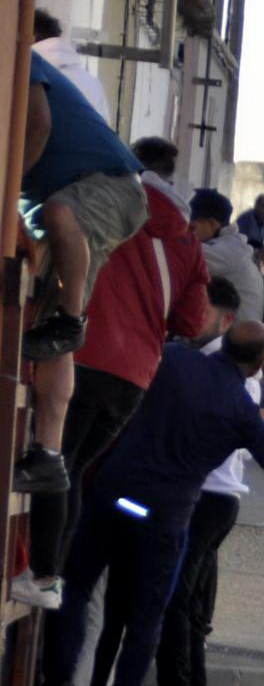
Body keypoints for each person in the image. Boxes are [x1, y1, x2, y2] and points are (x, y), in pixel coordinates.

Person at [24, 326, 264, 686]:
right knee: (147, 616)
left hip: (115, 494)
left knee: (77, 584)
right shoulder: (242, 410)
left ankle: (59, 683)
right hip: (164, 517)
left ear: (224, 343)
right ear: (259, 364)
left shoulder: (172, 359)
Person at [12, 152, 210, 610]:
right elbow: (191, 321)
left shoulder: (104, 204)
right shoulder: (187, 243)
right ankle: (49, 577)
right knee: (75, 470)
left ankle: (42, 573)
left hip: (84, 354)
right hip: (135, 377)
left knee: (54, 458)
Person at [10, 56, 150, 500]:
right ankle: (48, 456)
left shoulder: (20, 53)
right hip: (68, 200)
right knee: (50, 333)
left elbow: (39, 126)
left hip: (108, 187)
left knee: (60, 214)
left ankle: (71, 320)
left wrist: (8, 196)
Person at [144, 290, 259, 686]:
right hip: (217, 498)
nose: (192, 315)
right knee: (189, 610)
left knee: (175, 602)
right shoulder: (227, 367)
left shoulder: (211, 367)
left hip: (205, 498)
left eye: (202, 309)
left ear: (225, 320)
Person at [191, 189, 264, 328]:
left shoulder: (227, 251)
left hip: (235, 337)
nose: (189, 233)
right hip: (238, 333)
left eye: (192, 227)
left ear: (211, 224)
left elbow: (181, 254)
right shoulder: (233, 246)